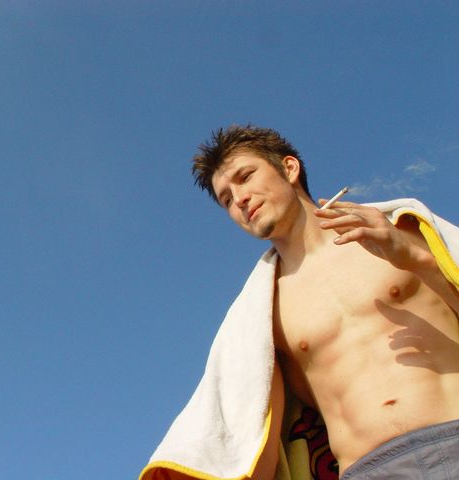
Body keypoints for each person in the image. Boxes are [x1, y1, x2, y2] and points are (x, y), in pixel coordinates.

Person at [139, 125, 459, 480]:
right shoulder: (262, 315)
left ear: (289, 168)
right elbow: (250, 437)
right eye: (227, 199)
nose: (240, 199)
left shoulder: (400, 232)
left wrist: (417, 260)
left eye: (245, 177)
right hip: (367, 469)